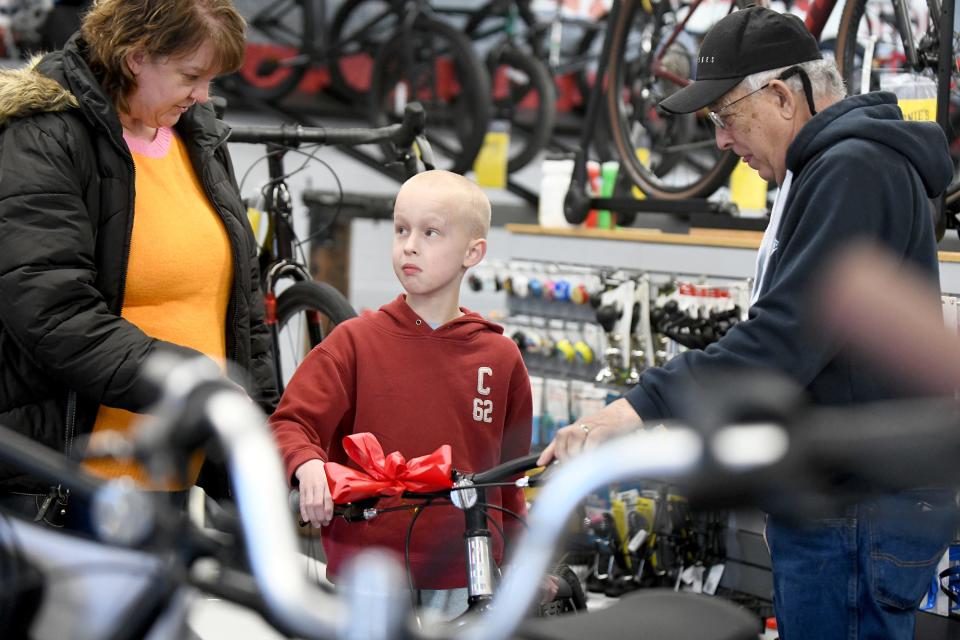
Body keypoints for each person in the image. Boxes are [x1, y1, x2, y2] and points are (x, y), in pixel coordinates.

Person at [539, 7, 957, 639]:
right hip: (849, 504)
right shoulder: (833, 168)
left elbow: (783, 338)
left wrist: (634, 406)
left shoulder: (852, 169)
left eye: (725, 116)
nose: (722, 142)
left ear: (783, 97)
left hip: (852, 511)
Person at [0, 0, 278, 527]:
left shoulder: (193, 134)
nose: (203, 94)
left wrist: (262, 432)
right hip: (71, 479)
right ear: (136, 57)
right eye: (191, 75)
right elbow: (51, 311)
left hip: (167, 473)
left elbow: (239, 303)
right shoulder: (46, 134)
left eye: (211, 80)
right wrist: (192, 381)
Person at [269, 169, 533, 621]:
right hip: (366, 565)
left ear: (474, 252)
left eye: (430, 232)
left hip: (461, 569)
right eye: (401, 229)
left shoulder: (501, 357)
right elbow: (291, 422)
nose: (409, 244)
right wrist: (307, 463)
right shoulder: (353, 341)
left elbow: (510, 478)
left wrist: (523, 562)